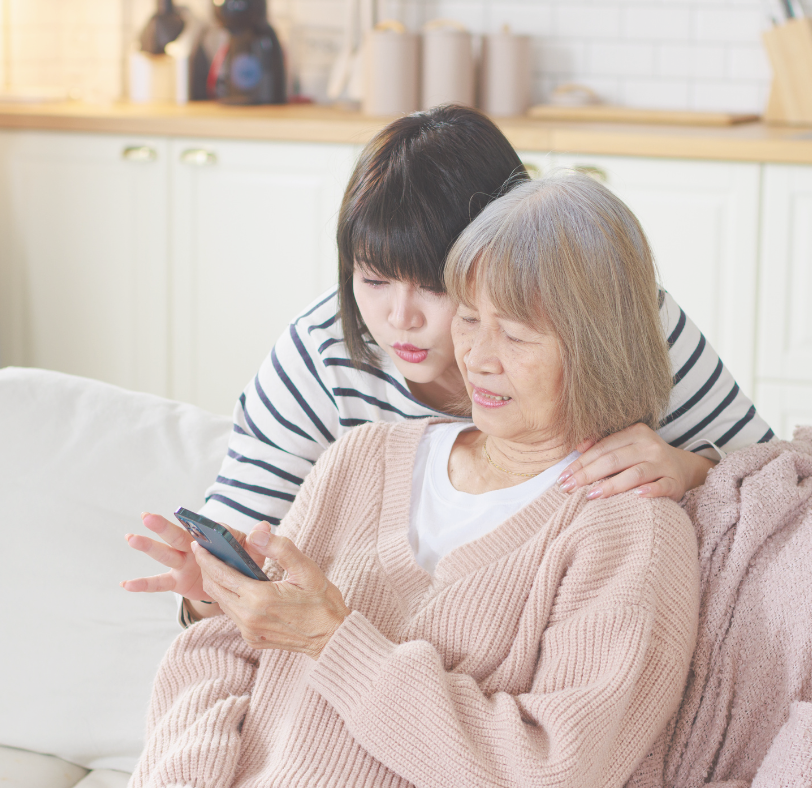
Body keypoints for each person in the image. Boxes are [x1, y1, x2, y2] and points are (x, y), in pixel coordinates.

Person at [130, 173, 700, 788]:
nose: (476, 357)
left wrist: (333, 642)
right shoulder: (364, 457)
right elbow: (221, 655)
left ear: (598, 348)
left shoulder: (629, 528)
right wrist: (216, 602)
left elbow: (553, 768)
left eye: (513, 334)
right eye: (470, 318)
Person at [120, 105, 771, 626]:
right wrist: (208, 592)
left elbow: (776, 475)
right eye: (373, 280)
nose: (398, 318)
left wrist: (692, 469)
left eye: (434, 287)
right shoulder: (323, 353)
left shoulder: (615, 316)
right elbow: (237, 551)